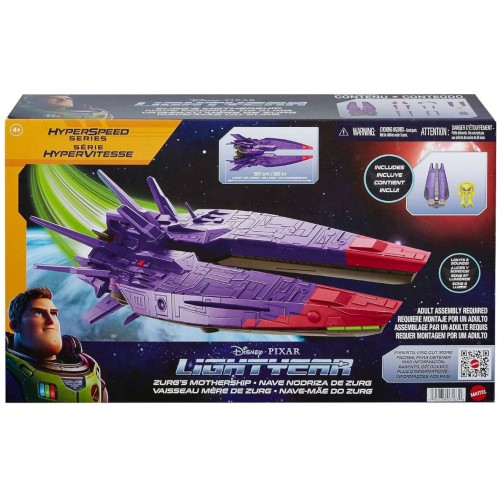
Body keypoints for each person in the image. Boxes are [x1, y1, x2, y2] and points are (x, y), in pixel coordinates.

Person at [6, 287, 108, 402]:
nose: (51, 320)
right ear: (15, 325)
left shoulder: (92, 376)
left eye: (54, 314)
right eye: (38, 313)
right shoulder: (9, 376)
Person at [13, 95, 112, 118]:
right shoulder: (24, 111)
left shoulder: (98, 112)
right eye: (55, 98)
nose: (63, 100)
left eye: (67, 98)